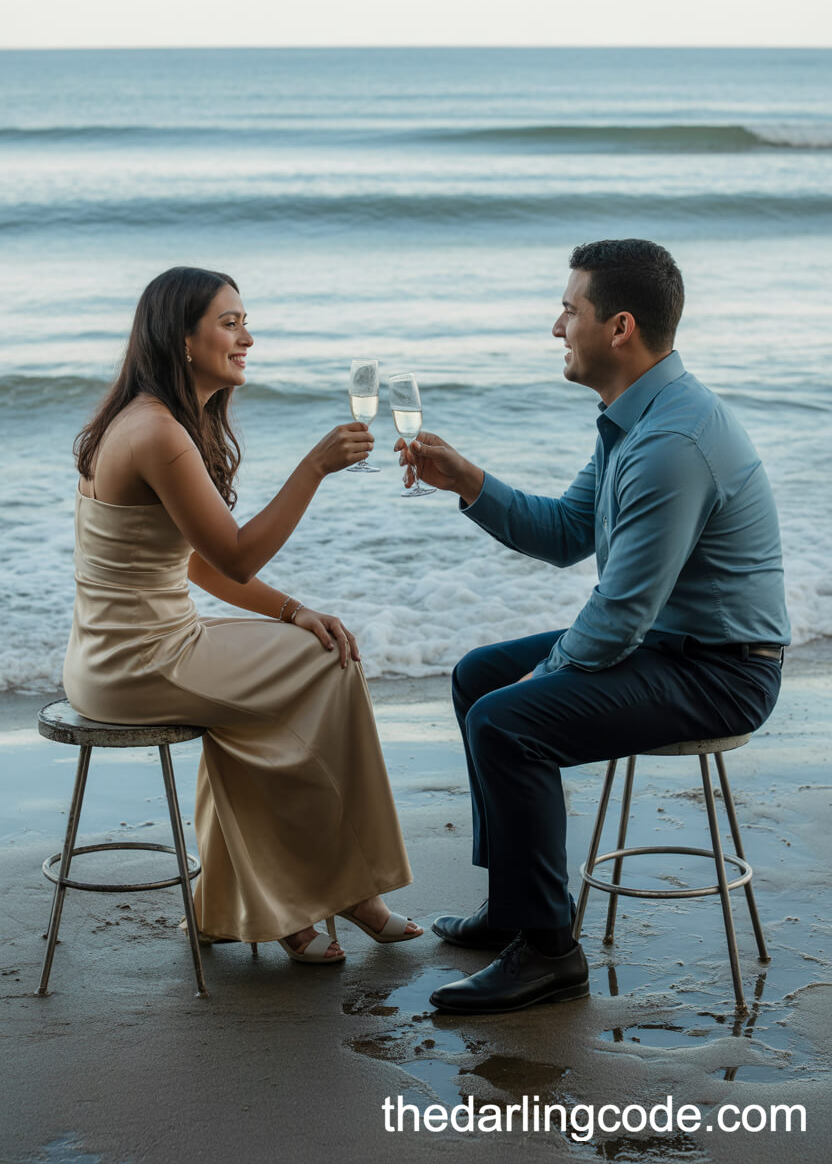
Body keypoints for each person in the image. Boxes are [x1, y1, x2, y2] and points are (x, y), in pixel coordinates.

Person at [396, 238, 789, 1013]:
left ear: (619, 328)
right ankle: (515, 903)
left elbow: (617, 619)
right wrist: (469, 483)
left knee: (506, 720)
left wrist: (538, 683)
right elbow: (569, 531)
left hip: (723, 671)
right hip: (668, 645)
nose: (555, 328)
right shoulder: (632, 418)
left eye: (568, 310)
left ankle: (548, 951)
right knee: (479, 675)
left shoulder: (673, 443)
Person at [64, 265, 422, 964]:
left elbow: (194, 565)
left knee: (305, 658)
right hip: (142, 662)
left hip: (118, 654)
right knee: (333, 663)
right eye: (230, 324)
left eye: (244, 322)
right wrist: (313, 468)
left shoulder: (153, 420)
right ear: (182, 338)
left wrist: (292, 610)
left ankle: (272, 903)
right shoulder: (159, 432)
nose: (247, 338)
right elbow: (230, 558)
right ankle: (348, 889)